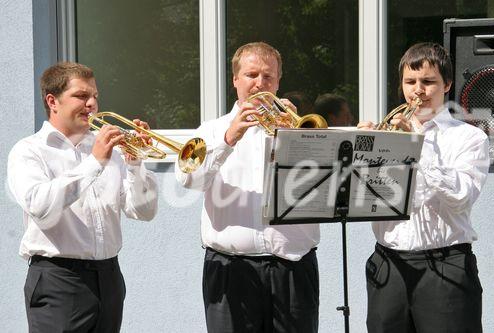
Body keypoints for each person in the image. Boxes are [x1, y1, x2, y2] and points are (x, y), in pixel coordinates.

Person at [175, 42, 320, 333]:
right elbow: (189, 179)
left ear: (278, 81)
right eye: (252, 75)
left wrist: (296, 140)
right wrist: (229, 139)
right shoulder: (212, 130)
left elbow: (321, 187)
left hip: (293, 268)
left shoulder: (299, 128)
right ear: (235, 80)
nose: (260, 83)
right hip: (231, 270)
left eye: (268, 76)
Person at [7, 62, 158, 332]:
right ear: (52, 101)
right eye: (81, 96)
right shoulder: (29, 151)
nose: (91, 104)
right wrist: (95, 162)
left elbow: (143, 211)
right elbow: (40, 206)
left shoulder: (108, 148)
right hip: (58, 280)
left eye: (95, 97)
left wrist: (135, 163)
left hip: (109, 277)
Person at [358, 42, 489, 332]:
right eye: (410, 81)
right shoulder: (386, 133)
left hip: (445, 266)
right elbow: (364, 197)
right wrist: (360, 151)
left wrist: (418, 145)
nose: (418, 90)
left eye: (428, 82)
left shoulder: (469, 138)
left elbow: (460, 197)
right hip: (389, 263)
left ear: (447, 85)